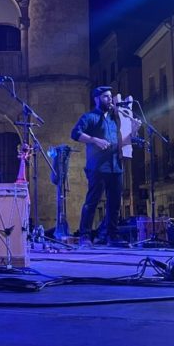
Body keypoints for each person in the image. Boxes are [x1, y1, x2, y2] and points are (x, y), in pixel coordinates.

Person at [71, 85, 125, 245]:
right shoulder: (90, 117)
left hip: (116, 166)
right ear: (97, 99)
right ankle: (85, 235)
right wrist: (95, 140)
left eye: (110, 96)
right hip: (98, 167)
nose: (110, 99)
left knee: (114, 203)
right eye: (106, 97)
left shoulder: (114, 119)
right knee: (92, 202)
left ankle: (112, 236)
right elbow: (75, 133)